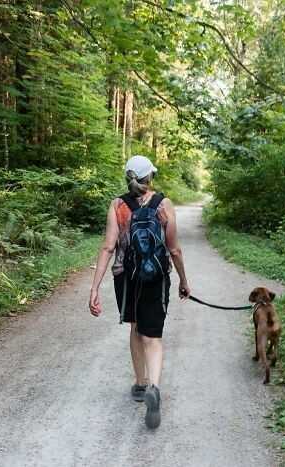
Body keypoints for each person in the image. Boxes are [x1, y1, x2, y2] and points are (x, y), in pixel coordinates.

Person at [89, 155, 190, 429]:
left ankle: (140, 382)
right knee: (153, 336)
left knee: (135, 327)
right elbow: (174, 249)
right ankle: (154, 387)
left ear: (127, 178)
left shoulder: (118, 205)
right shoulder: (164, 204)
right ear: (150, 177)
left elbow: (109, 247)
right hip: (156, 277)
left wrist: (95, 287)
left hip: (127, 278)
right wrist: (183, 280)